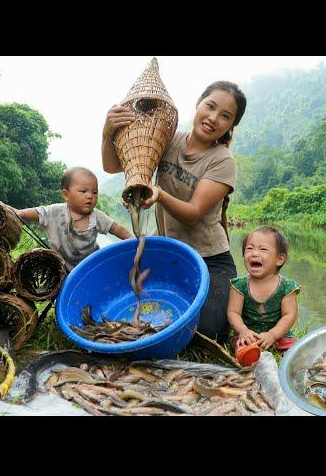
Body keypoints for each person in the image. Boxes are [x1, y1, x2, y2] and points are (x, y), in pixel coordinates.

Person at [102, 81, 247, 343]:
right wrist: (108, 134)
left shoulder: (223, 161)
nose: (213, 118)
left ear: (231, 125)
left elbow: (193, 212)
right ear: (198, 104)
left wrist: (158, 193)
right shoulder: (169, 140)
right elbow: (113, 167)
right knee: (123, 306)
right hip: (168, 252)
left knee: (209, 330)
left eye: (225, 116)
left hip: (210, 260)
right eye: (210, 106)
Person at [14, 167, 132, 272]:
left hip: (91, 267)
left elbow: (116, 228)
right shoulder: (55, 212)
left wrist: (131, 239)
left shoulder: (96, 216)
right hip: (61, 269)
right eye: (83, 191)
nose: (90, 196)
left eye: (94, 192)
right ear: (66, 195)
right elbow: (38, 213)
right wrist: (20, 213)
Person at [227, 226, 301, 353]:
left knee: (296, 349)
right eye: (249, 248)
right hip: (249, 336)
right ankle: (249, 355)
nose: (254, 253)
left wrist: (273, 335)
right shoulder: (239, 285)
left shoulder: (286, 287)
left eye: (263, 249)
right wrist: (243, 331)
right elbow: (233, 313)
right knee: (241, 347)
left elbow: (289, 315)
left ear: (280, 259)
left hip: (279, 336)